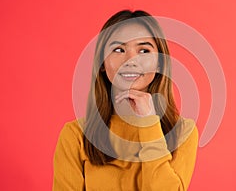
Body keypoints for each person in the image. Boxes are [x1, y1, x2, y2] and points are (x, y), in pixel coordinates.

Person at [53, 10, 198, 191]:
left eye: (144, 50)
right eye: (119, 49)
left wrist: (149, 124)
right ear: (102, 64)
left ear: (160, 63)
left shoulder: (183, 132)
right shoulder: (75, 135)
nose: (131, 60)